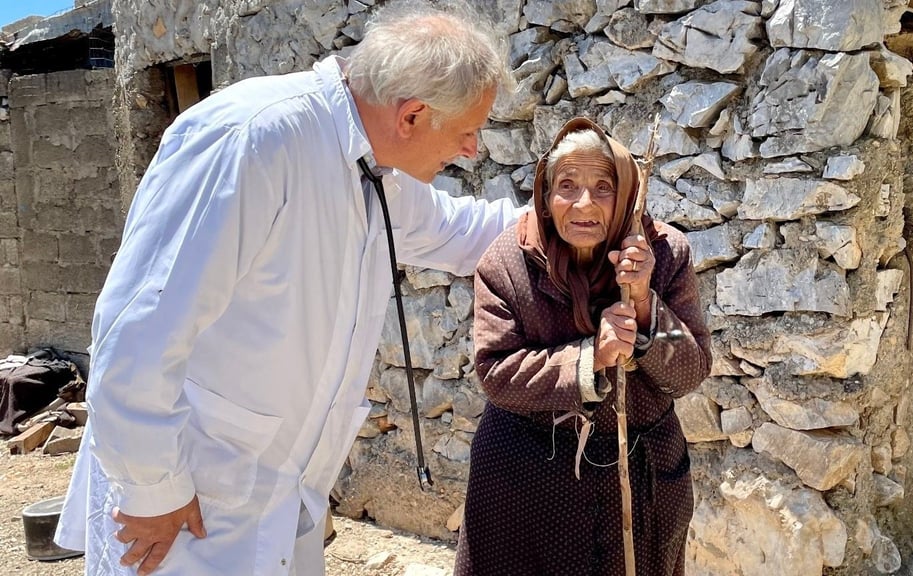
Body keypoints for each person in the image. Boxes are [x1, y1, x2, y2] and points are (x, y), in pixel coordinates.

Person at [54, 2, 521, 575]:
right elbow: (141, 328)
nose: (472, 150)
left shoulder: (376, 167)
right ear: (413, 116)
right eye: (468, 131)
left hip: (273, 499)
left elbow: (459, 230)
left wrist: (583, 217)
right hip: (187, 502)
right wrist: (151, 491)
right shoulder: (253, 138)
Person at [454, 118, 712, 575]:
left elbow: (689, 371)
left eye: (603, 187)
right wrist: (591, 357)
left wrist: (648, 306)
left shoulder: (665, 254)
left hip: (641, 474)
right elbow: (496, 372)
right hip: (526, 476)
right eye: (567, 186)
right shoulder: (507, 264)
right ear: (546, 198)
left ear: (628, 194)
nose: (584, 204)